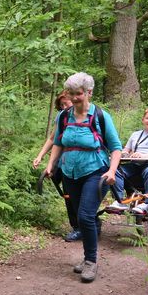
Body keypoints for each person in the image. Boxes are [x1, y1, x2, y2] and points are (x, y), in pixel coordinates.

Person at [44, 72, 122, 283]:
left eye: (78, 93)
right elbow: (59, 142)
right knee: (80, 217)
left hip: (96, 172)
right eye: (71, 93)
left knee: (86, 216)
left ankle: (91, 261)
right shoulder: (64, 116)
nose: (74, 97)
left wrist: (112, 171)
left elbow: (116, 148)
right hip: (70, 172)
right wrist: (51, 164)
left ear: (89, 92)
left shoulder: (100, 116)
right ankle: (88, 257)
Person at [33, 91, 82, 242]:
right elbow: (53, 138)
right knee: (68, 193)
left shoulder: (86, 115)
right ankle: (77, 226)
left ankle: (88, 223)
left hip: (83, 162)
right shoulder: (62, 117)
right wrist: (40, 156)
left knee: (82, 194)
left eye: (66, 103)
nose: (64, 107)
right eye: (61, 105)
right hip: (63, 161)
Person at [108, 108, 148, 215]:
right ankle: (119, 201)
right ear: (143, 120)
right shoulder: (135, 135)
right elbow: (126, 150)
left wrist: (143, 155)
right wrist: (123, 154)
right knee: (115, 170)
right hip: (134, 165)